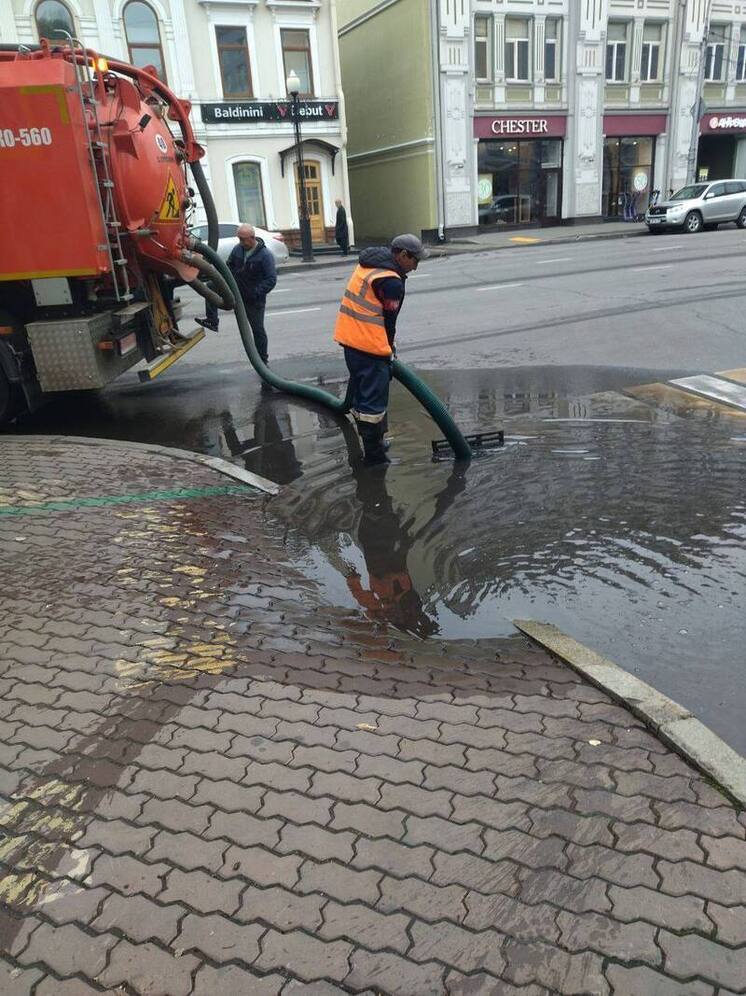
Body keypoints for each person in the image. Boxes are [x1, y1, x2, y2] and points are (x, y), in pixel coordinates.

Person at [333, 233, 428, 464]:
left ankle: (376, 441)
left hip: (350, 341)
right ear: (403, 255)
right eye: (415, 260)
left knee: (362, 398)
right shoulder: (391, 281)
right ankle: (374, 457)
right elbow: (389, 319)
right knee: (372, 405)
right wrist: (389, 347)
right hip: (369, 348)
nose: (416, 267)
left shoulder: (370, 264)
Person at [197, 225, 277, 372]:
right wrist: (223, 278)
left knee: (257, 330)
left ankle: (263, 360)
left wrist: (255, 292)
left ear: (252, 238)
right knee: (210, 287)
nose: (240, 242)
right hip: (235, 290)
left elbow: (271, 280)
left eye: (243, 239)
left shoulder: (265, 256)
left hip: (253, 300)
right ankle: (212, 320)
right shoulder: (238, 249)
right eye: (239, 238)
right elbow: (229, 265)